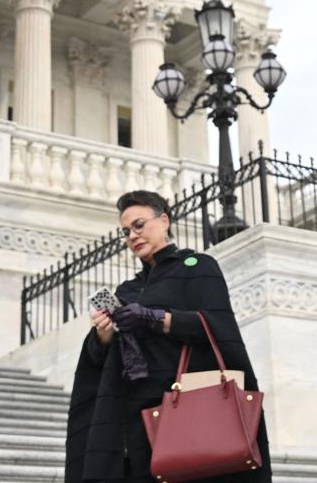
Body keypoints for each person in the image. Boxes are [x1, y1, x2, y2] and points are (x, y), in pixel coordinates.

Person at [65, 190, 270, 483]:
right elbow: (99, 359)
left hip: (187, 408)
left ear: (163, 220)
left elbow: (217, 328)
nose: (132, 235)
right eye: (126, 231)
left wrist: (154, 318)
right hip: (134, 417)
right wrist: (103, 335)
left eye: (139, 225)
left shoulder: (198, 267)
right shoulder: (127, 289)